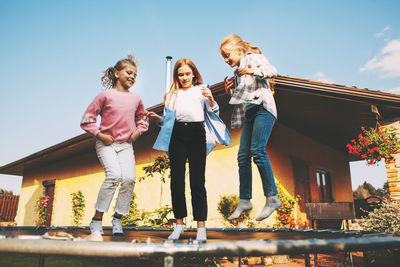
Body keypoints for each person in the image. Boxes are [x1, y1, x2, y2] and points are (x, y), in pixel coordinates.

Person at [147, 58, 230, 241]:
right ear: (177, 76)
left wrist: (212, 99)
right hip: (177, 134)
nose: (184, 77)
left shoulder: (201, 90)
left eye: (187, 73)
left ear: (193, 73)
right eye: (180, 74)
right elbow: (167, 121)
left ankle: (201, 227)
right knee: (176, 180)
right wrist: (157, 118)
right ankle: (179, 225)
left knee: (197, 181)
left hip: (197, 133)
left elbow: (214, 112)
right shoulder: (172, 94)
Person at [80, 54, 149, 236]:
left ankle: (118, 218)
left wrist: (138, 131)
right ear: (117, 73)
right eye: (129, 72)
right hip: (106, 144)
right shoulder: (105, 96)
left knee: (129, 179)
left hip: (125, 144)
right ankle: (96, 220)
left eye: (135, 75)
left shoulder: (136, 99)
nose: (133, 77)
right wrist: (100, 135)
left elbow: (143, 119)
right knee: (114, 176)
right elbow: (87, 120)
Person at [219, 34, 281, 221]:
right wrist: (230, 91)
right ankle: (245, 199)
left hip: (263, 108)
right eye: (223, 57)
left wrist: (251, 71)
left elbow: (272, 71)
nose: (226, 59)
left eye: (227, 55)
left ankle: (272, 197)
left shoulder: (252, 59)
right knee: (243, 156)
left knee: (258, 151)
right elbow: (244, 96)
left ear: (239, 50)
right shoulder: (239, 72)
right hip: (251, 113)